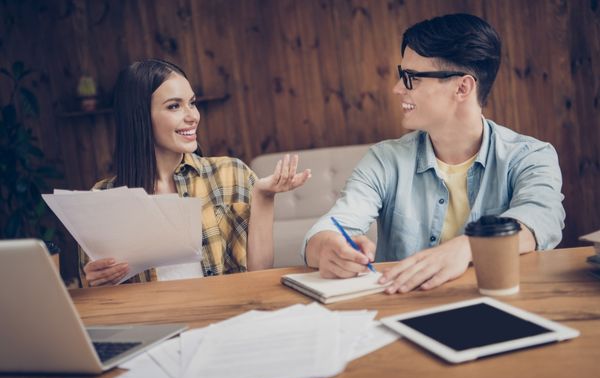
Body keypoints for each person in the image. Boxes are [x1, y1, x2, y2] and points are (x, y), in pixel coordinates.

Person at [303, 13, 565, 294]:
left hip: (501, 304)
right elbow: (330, 228)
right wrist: (327, 248)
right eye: (401, 75)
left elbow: (541, 218)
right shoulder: (384, 160)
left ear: (462, 87)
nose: (396, 88)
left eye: (410, 78)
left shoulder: (530, 156)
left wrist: (467, 248)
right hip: (402, 311)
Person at [80, 59, 311, 287]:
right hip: (151, 322)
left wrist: (264, 196)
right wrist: (95, 281)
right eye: (174, 106)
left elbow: (259, 274)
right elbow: (94, 293)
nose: (192, 116)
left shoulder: (231, 174)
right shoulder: (102, 198)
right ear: (139, 117)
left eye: (192, 103)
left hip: (221, 318)